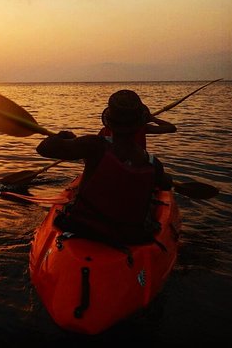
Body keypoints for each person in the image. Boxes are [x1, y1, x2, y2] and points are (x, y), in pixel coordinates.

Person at [36, 90, 172, 244]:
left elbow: (44, 148)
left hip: (84, 227)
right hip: (128, 235)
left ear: (109, 121)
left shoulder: (93, 146)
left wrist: (62, 136)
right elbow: (166, 184)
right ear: (141, 123)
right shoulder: (153, 164)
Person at [97, 102, 176, 149]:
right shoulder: (141, 128)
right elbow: (171, 128)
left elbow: (171, 128)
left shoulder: (103, 131)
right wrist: (153, 119)